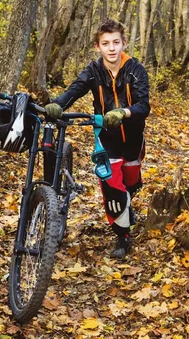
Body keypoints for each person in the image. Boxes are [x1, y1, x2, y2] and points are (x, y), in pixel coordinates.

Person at [44, 19, 150, 259]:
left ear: (124, 43)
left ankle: (127, 201)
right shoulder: (93, 71)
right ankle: (122, 236)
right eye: (105, 44)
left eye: (116, 42)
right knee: (113, 187)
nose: (111, 48)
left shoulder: (136, 70)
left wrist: (124, 112)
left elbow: (144, 105)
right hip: (107, 138)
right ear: (97, 46)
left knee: (131, 183)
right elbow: (75, 90)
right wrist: (56, 105)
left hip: (133, 138)